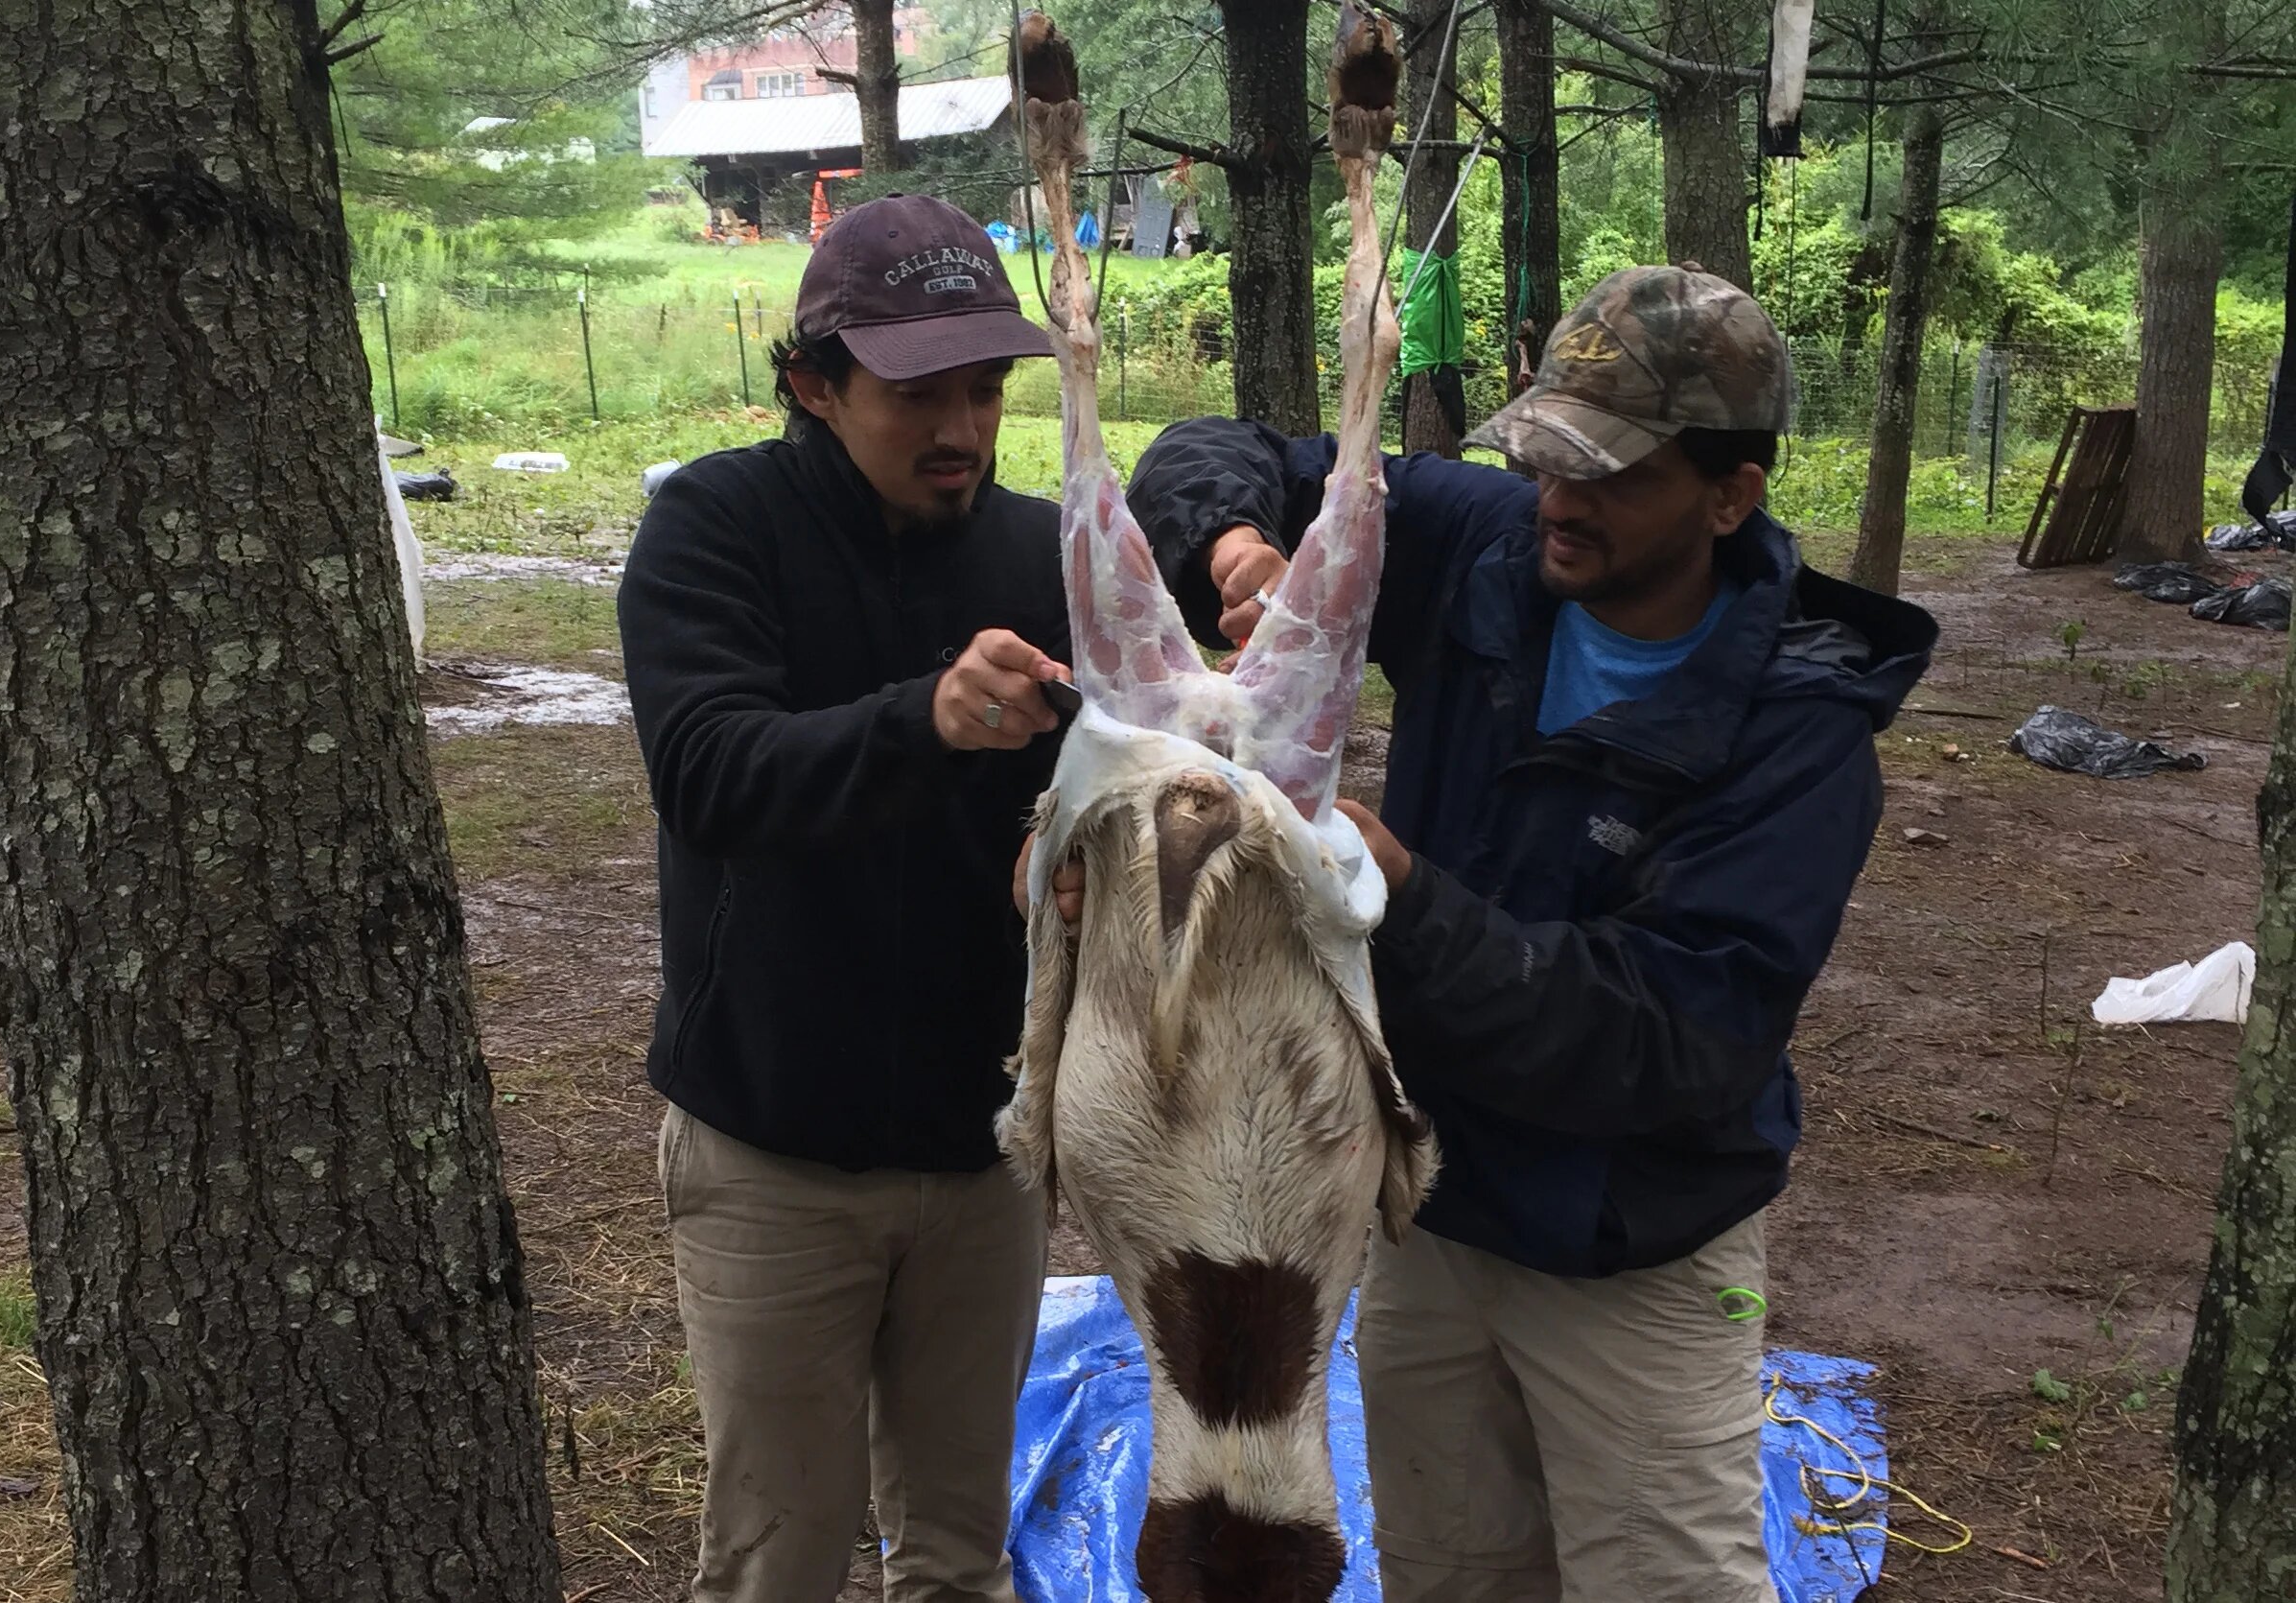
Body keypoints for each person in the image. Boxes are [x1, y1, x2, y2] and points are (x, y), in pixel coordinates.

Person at [1120, 264, 1938, 1602]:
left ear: (1730, 497)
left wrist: (1399, 896)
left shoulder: (1799, 738)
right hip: (1431, 1217)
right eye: (1551, 455)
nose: (1562, 498)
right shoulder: (1481, 543)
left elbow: (1669, 1039)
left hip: (1634, 1248)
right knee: (1452, 1574)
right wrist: (1244, 546)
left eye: (1613, 475)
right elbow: (1224, 449)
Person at [618, 194, 1071, 1603]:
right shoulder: (714, 527)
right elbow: (709, 774)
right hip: (774, 1147)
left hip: (985, 1144)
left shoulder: (1042, 553)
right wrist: (924, 721)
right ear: (815, 385)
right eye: (917, 393)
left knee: (959, 1554)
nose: (962, 428)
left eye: (986, 390)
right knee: (777, 1558)